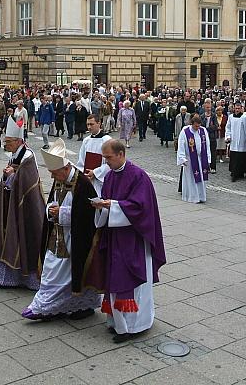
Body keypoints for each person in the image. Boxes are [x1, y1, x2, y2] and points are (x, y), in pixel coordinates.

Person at [87, 139, 166, 343]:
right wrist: (103, 206)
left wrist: (111, 205)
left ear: (121, 154)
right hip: (115, 237)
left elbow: (140, 208)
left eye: (109, 158)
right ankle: (117, 323)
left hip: (134, 241)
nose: (106, 163)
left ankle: (134, 326)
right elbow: (107, 198)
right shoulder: (112, 175)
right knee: (114, 279)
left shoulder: (139, 176)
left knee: (134, 284)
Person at [21, 139, 102, 321]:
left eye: (54, 172)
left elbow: (89, 214)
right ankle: (46, 306)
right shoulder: (61, 179)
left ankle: (76, 306)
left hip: (76, 238)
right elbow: (53, 200)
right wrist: (51, 210)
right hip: (58, 236)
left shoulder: (82, 183)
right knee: (52, 269)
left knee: (66, 272)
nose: (52, 177)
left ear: (65, 168)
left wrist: (63, 212)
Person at [0, 116, 45, 291]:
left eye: (9, 141)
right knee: (3, 235)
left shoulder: (28, 157)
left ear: (19, 141)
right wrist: (7, 175)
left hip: (26, 205)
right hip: (10, 201)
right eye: (5, 140)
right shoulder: (15, 154)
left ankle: (27, 279)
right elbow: (13, 176)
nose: (5, 144)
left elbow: (27, 182)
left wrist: (12, 176)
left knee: (24, 237)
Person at [177, 115, 210, 204]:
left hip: (200, 158)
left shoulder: (203, 131)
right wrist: (182, 158)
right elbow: (181, 145)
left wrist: (208, 158)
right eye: (196, 126)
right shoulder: (185, 131)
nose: (197, 128)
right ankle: (191, 196)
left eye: (199, 126)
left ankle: (200, 196)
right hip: (190, 159)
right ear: (192, 124)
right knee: (191, 179)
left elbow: (207, 144)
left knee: (201, 178)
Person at [77, 114, 111, 196]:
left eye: (91, 124)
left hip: (101, 179)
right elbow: (81, 161)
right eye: (87, 124)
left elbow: (110, 163)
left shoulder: (107, 140)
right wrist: (84, 174)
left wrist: (95, 172)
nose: (89, 127)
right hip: (88, 178)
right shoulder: (86, 140)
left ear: (99, 123)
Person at [225, 102, 246, 182]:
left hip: (242, 140)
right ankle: (234, 173)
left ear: (241, 108)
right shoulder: (231, 117)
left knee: (241, 157)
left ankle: (240, 173)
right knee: (234, 157)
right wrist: (228, 136)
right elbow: (228, 127)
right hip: (233, 140)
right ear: (234, 108)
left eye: (239, 108)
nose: (237, 110)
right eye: (236, 108)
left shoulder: (244, 117)